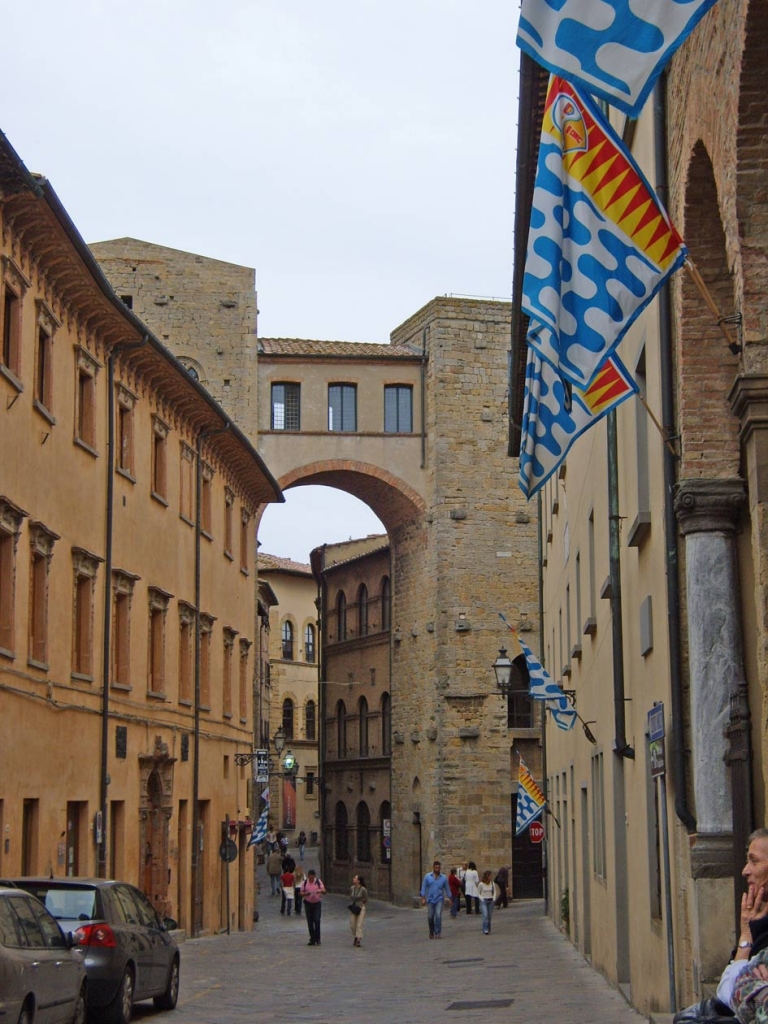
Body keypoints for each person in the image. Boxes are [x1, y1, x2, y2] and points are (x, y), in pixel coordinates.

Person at [674, 829, 768, 1024]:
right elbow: (729, 993)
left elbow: (733, 995)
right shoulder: (759, 919)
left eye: (754, 861)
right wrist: (746, 936)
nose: (745, 870)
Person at [420, 860, 451, 939]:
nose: (437, 869)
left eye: (438, 868)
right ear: (433, 868)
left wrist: (450, 898)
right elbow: (423, 887)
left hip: (439, 899)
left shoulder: (443, 878)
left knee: (438, 915)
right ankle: (431, 931)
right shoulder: (427, 877)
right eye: (436, 867)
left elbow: (447, 889)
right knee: (430, 916)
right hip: (430, 899)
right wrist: (423, 897)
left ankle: (438, 932)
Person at [301, 869, 326, 946]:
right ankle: (312, 938)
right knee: (310, 922)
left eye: (313, 877)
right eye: (310, 877)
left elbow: (324, 891)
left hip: (317, 903)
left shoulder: (318, 882)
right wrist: (305, 893)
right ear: (308, 876)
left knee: (317, 920)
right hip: (308, 903)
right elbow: (301, 892)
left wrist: (320, 891)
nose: (311, 879)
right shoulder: (305, 882)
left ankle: (317, 938)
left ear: (314, 876)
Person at [349, 873, 368, 947]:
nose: (353, 879)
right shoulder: (352, 888)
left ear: (359, 881)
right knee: (352, 924)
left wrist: (362, 904)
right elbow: (351, 897)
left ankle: (358, 940)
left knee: (359, 924)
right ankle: (356, 936)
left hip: (360, 907)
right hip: (354, 907)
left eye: (355, 878)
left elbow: (366, 898)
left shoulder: (363, 889)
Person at [478, 870, 495, 935]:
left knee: (489, 916)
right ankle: (485, 929)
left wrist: (494, 898)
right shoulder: (481, 884)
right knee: (485, 915)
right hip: (484, 900)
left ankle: (488, 928)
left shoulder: (492, 883)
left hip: (490, 900)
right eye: (489, 875)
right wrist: (481, 898)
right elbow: (478, 892)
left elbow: (494, 892)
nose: (490, 877)